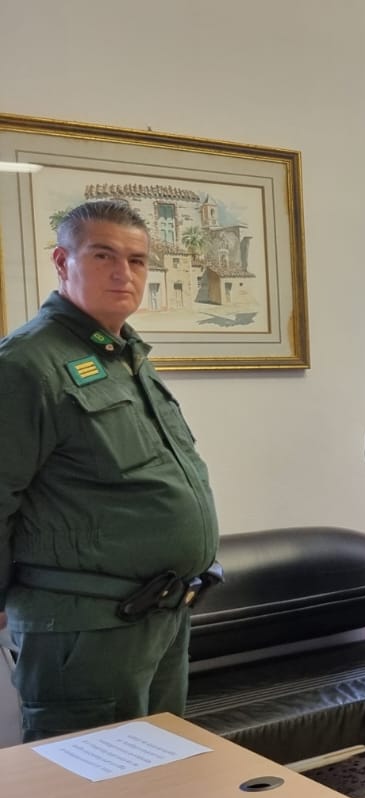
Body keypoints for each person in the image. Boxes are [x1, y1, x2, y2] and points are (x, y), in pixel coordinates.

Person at [0, 199, 219, 742]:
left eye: (137, 260)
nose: (124, 273)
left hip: (159, 616)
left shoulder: (125, 356)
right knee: (90, 785)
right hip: (86, 628)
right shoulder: (26, 364)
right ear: (62, 262)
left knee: (160, 774)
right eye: (103, 255)